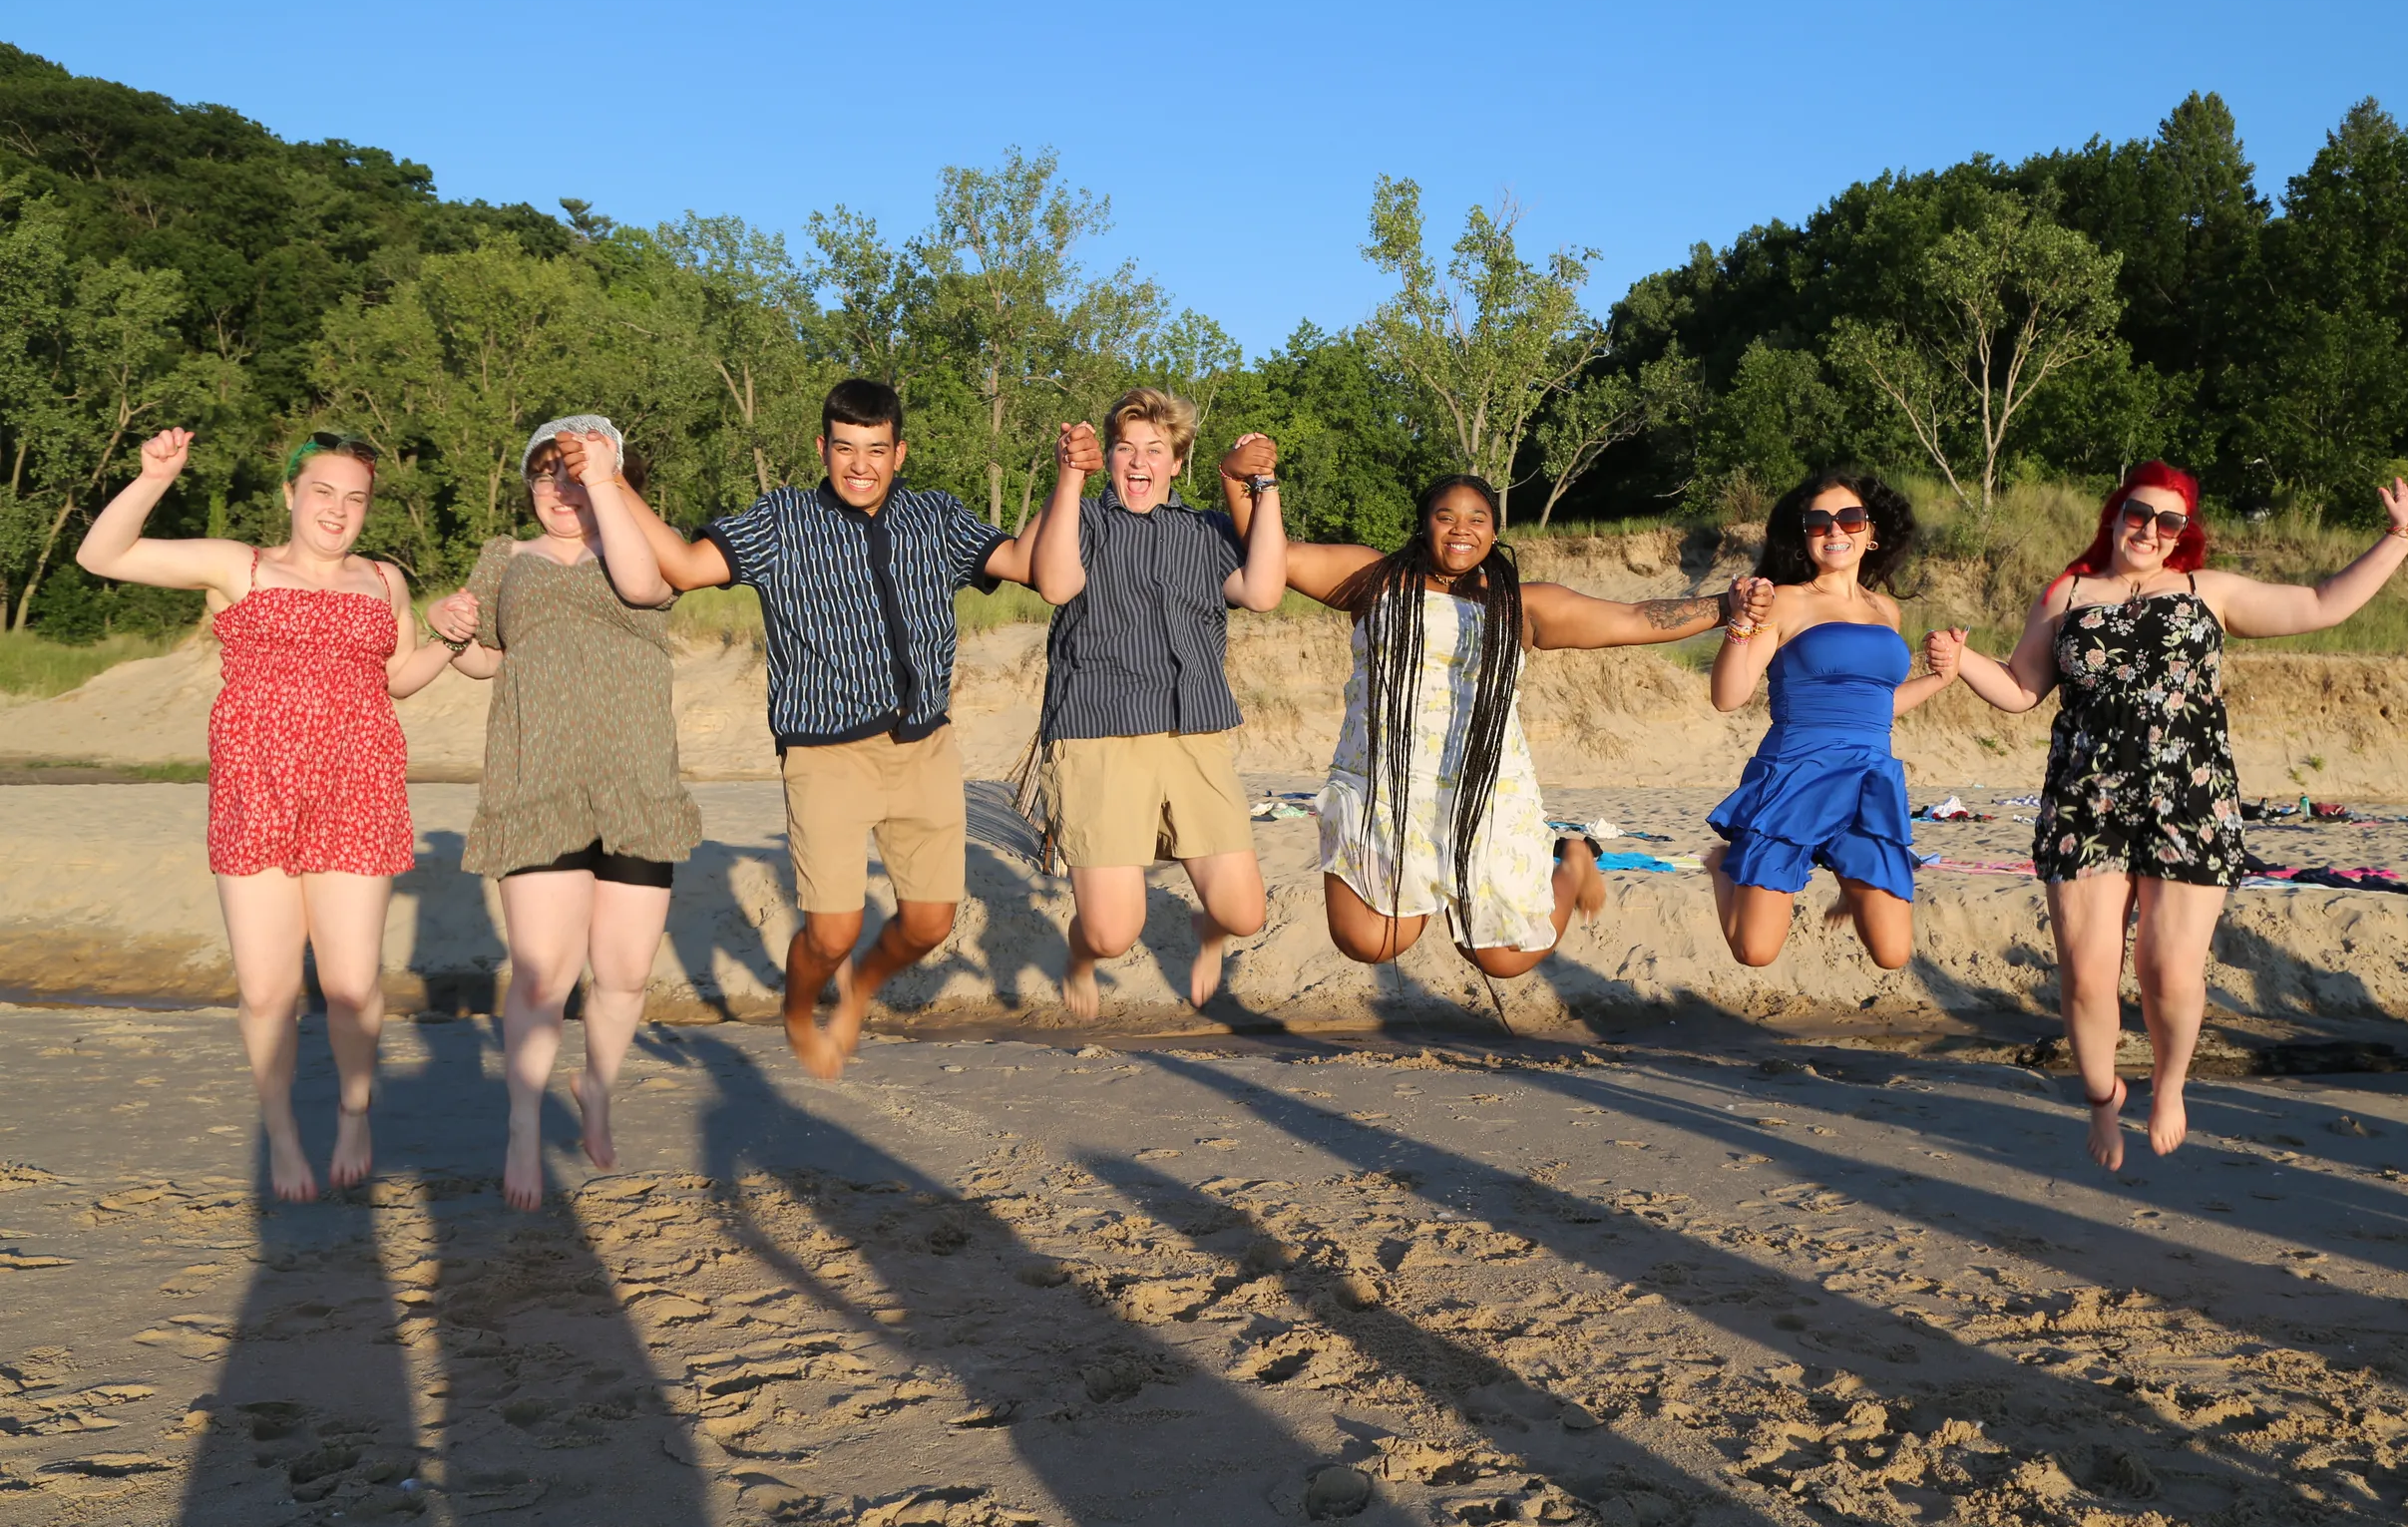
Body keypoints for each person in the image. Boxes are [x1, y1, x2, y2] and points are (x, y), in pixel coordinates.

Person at [1928, 462, 2408, 1170]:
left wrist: (2399, 539)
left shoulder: (2207, 591)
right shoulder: (2066, 593)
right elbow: (2018, 688)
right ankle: (2103, 1098)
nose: (2151, 530)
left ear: (2182, 535)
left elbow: (2322, 603)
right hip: (2086, 801)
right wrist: (1959, 660)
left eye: (2171, 522)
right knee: (2087, 973)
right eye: (2139, 513)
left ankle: (2169, 1086)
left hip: (2190, 801)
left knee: (2167, 970)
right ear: (2114, 512)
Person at [608, 378, 1041, 1076]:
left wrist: (1070, 476)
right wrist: (614, 484)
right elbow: (685, 569)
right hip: (826, 755)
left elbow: (1029, 566)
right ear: (823, 447)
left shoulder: (937, 516)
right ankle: (797, 1004)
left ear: (899, 452)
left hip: (925, 746)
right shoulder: (782, 519)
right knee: (831, 931)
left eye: (875, 449)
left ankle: (862, 986)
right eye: (845, 447)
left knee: (930, 922)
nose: (859, 464)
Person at [75, 428, 466, 1201]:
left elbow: (399, 679)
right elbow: (102, 555)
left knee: (352, 984)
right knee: (266, 990)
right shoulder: (238, 566)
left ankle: (355, 1111)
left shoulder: (384, 580)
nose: (338, 509)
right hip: (256, 791)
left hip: (359, 787)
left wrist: (451, 638)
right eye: (323, 490)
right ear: (290, 495)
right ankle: (283, 1131)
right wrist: (155, 477)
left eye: (355, 498)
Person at [1224, 455, 1761, 976]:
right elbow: (1272, 555)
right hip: (1384, 785)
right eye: (1446, 516)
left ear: (1494, 531)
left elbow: (1638, 618)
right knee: (1369, 942)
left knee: (1503, 960)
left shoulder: (1521, 606)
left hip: (1485, 788)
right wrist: (1243, 479)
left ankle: (1572, 862)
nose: (1462, 529)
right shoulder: (1374, 578)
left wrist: (1728, 606)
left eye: (1478, 518)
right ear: (1423, 525)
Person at [422, 416, 701, 1211]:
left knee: (623, 973)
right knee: (544, 974)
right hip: (535, 779)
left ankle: (597, 1087)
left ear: (612, 474)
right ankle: (519, 1125)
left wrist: (602, 478)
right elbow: (484, 661)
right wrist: (451, 631)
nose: (559, 488)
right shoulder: (503, 558)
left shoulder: (643, 544)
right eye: (547, 473)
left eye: (573, 472)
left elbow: (646, 586)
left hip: (635, 781)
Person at [1030, 390, 1288, 1017]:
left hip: (1194, 730)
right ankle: (1080, 955)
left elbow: (1262, 591)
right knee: (1112, 934)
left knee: (1243, 914)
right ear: (1109, 459)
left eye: (1155, 450)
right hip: (1099, 730)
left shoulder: (1204, 530)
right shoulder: (1083, 520)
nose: (1139, 463)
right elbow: (1057, 583)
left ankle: (1209, 932)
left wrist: (1265, 485)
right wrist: (1069, 477)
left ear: (1178, 463)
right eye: (1126, 449)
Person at [1706, 474, 1953, 969]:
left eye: (1850, 518)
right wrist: (1741, 623)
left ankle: (1845, 869)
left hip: (1868, 783)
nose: (1834, 529)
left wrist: (1939, 679)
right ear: (1803, 535)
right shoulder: (1784, 600)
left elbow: (1874, 709)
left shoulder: (1885, 611)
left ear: (1872, 532)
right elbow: (1728, 697)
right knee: (1754, 951)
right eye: (1819, 520)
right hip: (1796, 776)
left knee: (1892, 952)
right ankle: (1721, 866)